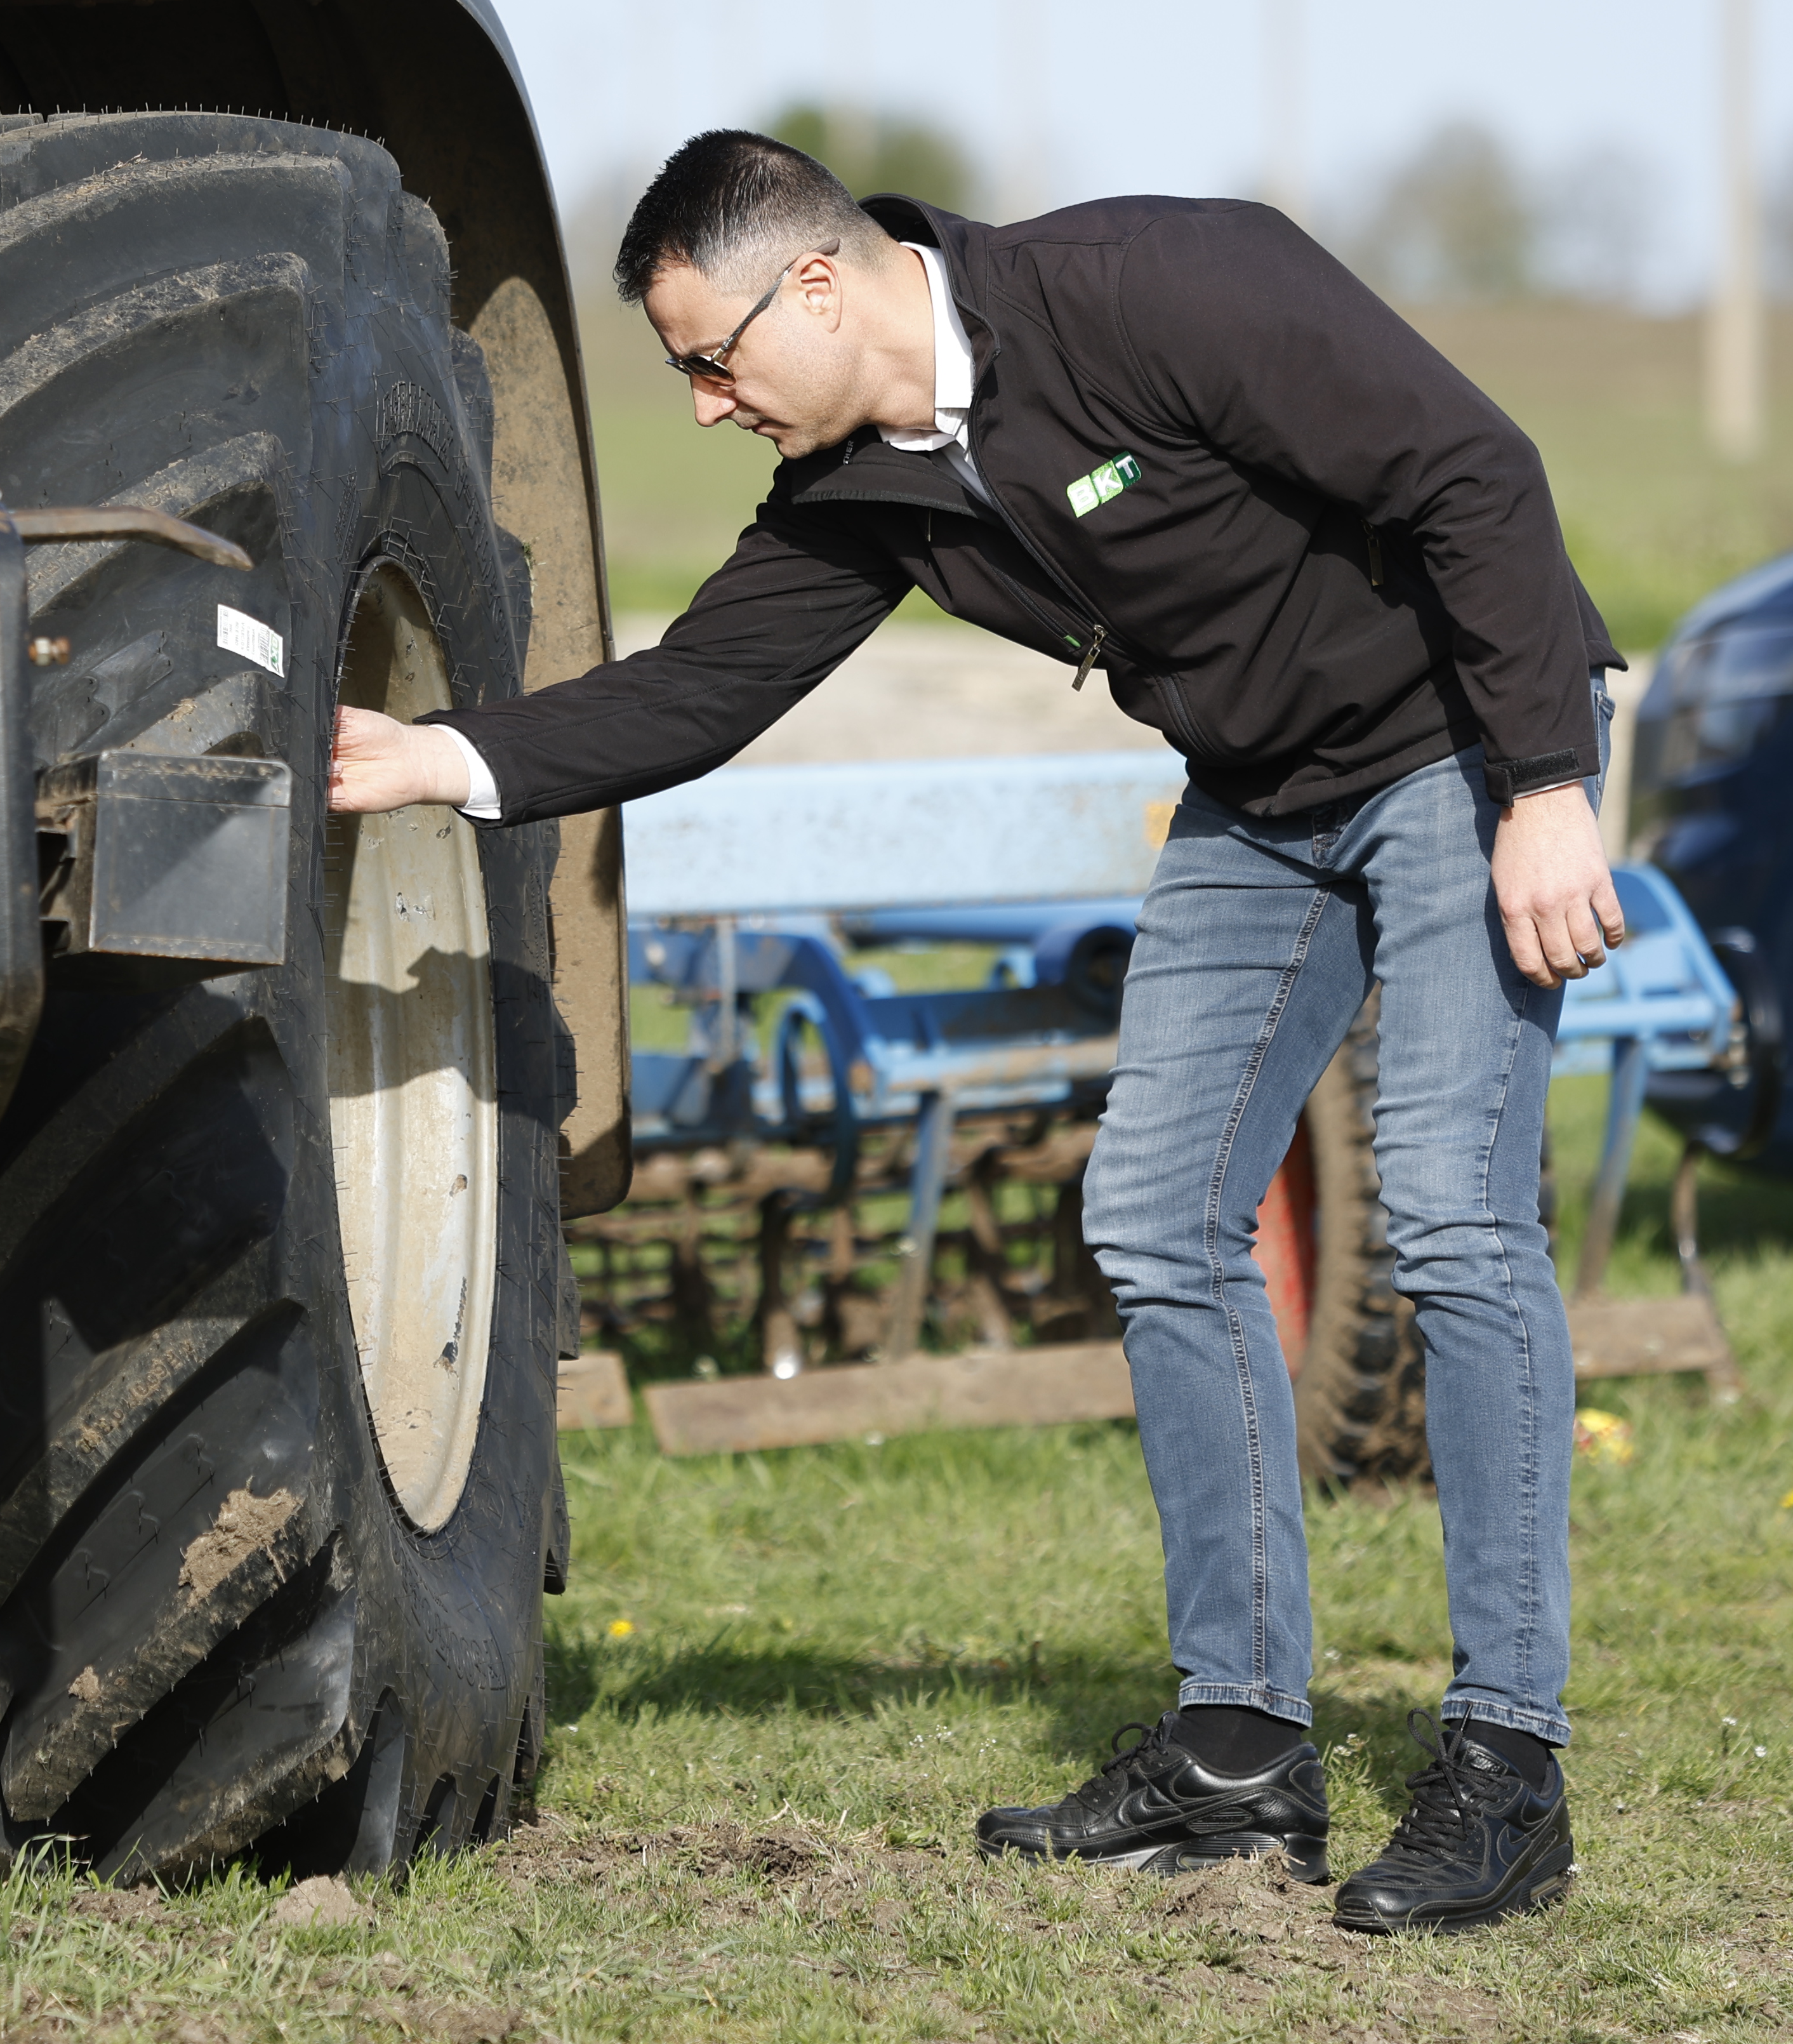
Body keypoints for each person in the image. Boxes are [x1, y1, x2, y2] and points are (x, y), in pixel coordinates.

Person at [328, 129, 1627, 1933]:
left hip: (1463, 746)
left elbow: (1474, 472)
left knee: (1457, 1219)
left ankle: (1507, 1767)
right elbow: (697, 692)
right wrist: (434, 758)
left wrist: (1546, 783)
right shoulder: (863, 488)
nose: (705, 406)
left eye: (711, 361)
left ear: (817, 284)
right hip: (1263, 801)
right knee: (1157, 1215)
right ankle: (1243, 1748)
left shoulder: (1158, 289)